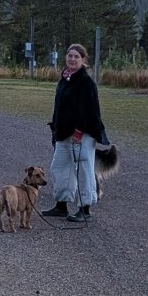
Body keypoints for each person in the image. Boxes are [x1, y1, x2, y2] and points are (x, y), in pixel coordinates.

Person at [41, 43, 108, 224]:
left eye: (76, 57)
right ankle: (61, 205)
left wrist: (79, 131)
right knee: (60, 167)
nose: (72, 59)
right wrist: (56, 128)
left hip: (82, 134)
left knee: (83, 170)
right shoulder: (65, 79)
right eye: (70, 56)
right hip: (63, 133)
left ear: (83, 60)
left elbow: (90, 111)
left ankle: (85, 208)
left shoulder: (86, 83)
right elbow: (60, 107)